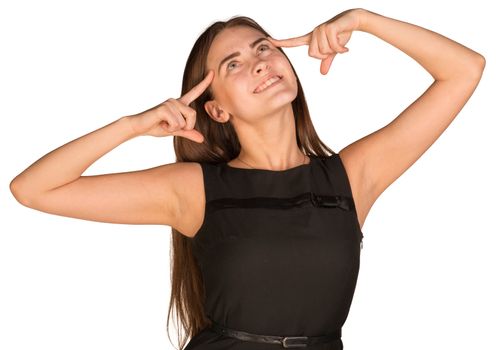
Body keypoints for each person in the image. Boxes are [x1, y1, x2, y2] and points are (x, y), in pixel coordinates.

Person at [9, 7, 485, 350]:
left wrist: (362, 20)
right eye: (232, 64)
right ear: (215, 108)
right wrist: (133, 125)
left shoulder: (352, 177)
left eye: (264, 48)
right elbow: (32, 189)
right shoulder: (194, 189)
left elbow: (465, 70)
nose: (259, 62)